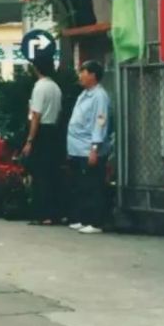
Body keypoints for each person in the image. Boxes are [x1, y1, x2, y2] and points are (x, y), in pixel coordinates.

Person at [66, 61, 111, 234]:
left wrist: (94, 148)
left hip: (89, 148)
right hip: (77, 148)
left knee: (93, 185)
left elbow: (100, 122)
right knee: (81, 185)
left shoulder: (99, 96)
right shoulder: (84, 94)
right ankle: (83, 218)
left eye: (82, 72)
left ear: (92, 75)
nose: (80, 75)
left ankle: (96, 221)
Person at [22, 56, 63, 226]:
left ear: (36, 69)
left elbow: (36, 115)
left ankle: (41, 213)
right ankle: (53, 213)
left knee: (39, 174)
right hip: (53, 130)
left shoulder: (39, 87)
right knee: (52, 173)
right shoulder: (55, 87)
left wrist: (30, 140)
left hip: (41, 131)